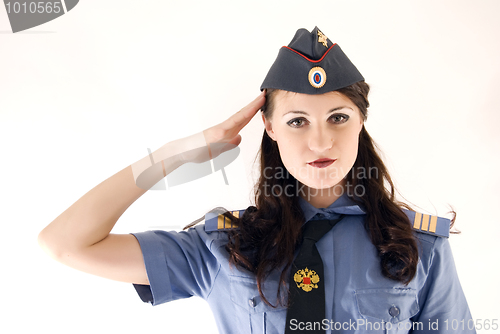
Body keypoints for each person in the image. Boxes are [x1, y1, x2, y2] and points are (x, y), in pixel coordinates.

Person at [38, 27, 475, 333]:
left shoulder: (417, 248)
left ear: (361, 121)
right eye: (297, 120)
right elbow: (64, 243)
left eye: (338, 117)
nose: (320, 141)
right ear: (270, 128)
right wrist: (172, 156)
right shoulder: (223, 247)